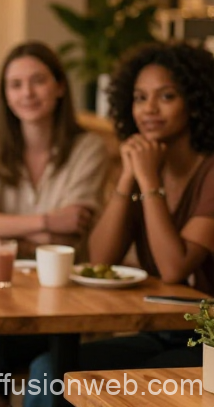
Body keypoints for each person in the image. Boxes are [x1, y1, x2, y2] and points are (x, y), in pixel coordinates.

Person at [26, 42, 214, 407]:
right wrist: (128, 177)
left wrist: (147, 182)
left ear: (196, 100)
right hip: (165, 329)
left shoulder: (209, 172)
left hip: (207, 341)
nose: (149, 110)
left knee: (123, 387)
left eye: (167, 96)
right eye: (140, 97)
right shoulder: (144, 165)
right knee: (49, 370)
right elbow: (100, 256)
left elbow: (174, 267)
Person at [0, 41, 108, 392]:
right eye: (15, 84)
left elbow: (67, 240)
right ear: (5, 95)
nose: (27, 93)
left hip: (63, 306)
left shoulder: (89, 148)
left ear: (60, 87)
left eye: (38, 81)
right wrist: (48, 222)